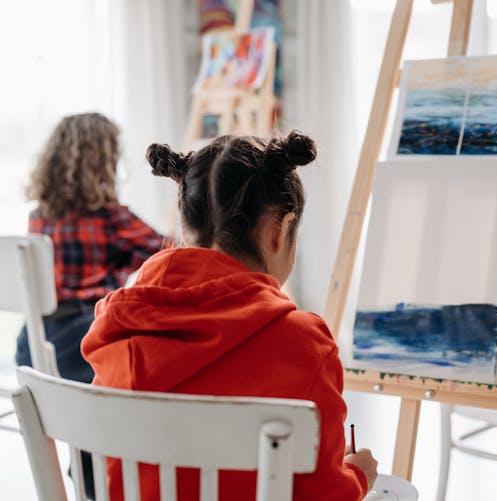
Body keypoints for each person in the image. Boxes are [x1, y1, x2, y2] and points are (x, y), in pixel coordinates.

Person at [81, 131, 378, 501]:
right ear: (279, 230)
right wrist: (357, 476)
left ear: (185, 231)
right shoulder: (304, 343)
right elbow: (323, 495)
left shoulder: (116, 326)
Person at [17, 112, 163, 383]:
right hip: (86, 340)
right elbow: (165, 253)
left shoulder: (38, 216)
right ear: (103, 163)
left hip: (31, 344)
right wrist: (121, 267)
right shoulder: (110, 217)